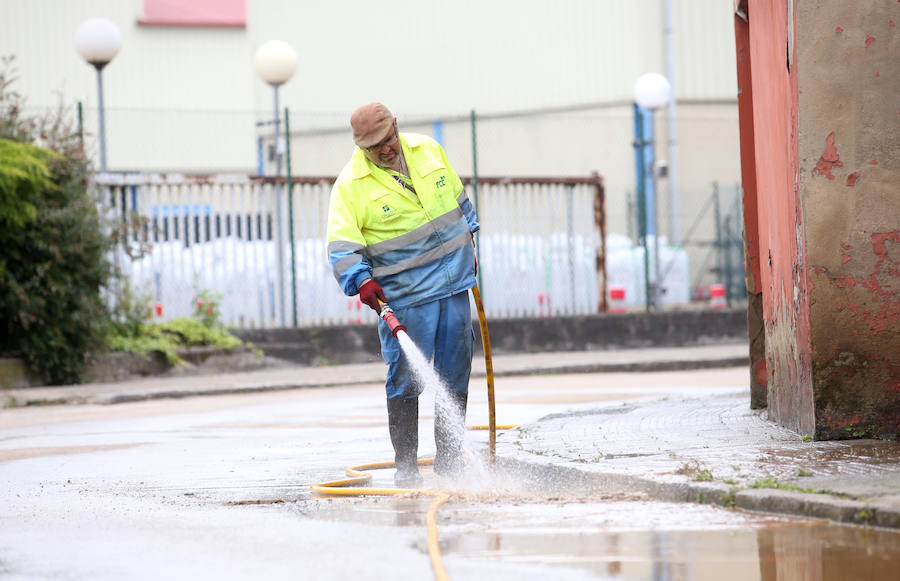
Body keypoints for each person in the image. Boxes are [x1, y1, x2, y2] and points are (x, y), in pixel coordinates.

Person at [326, 102, 479, 487]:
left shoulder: (428, 150)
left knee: (455, 373)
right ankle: (407, 468)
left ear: (396, 126)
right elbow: (342, 247)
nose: (384, 150)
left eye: (387, 140)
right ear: (361, 146)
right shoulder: (351, 184)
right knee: (406, 379)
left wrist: (471, 238)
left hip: (454, 287)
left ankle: (449, 462)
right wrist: (361, 281)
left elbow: (460, 203)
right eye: (373, 147)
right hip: (406, 299)